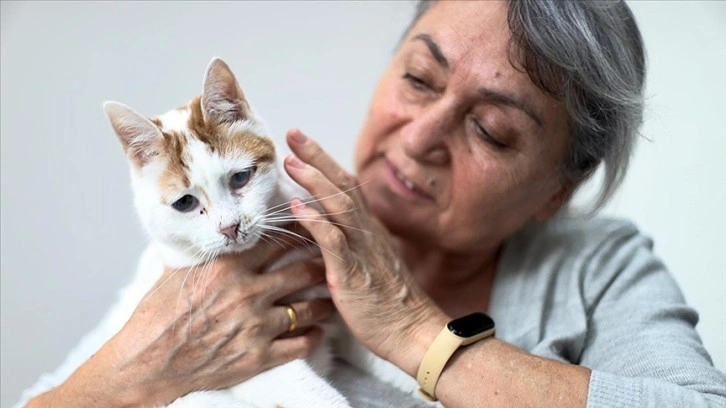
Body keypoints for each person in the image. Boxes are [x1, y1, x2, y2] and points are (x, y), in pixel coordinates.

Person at [18, 0, 726, 407]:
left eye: (492, 129)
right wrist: (134, 375)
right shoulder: (244, 251)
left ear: (556, 191)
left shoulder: (595, 268)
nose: (420, 138)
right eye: (420, 78)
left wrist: (417, 334)